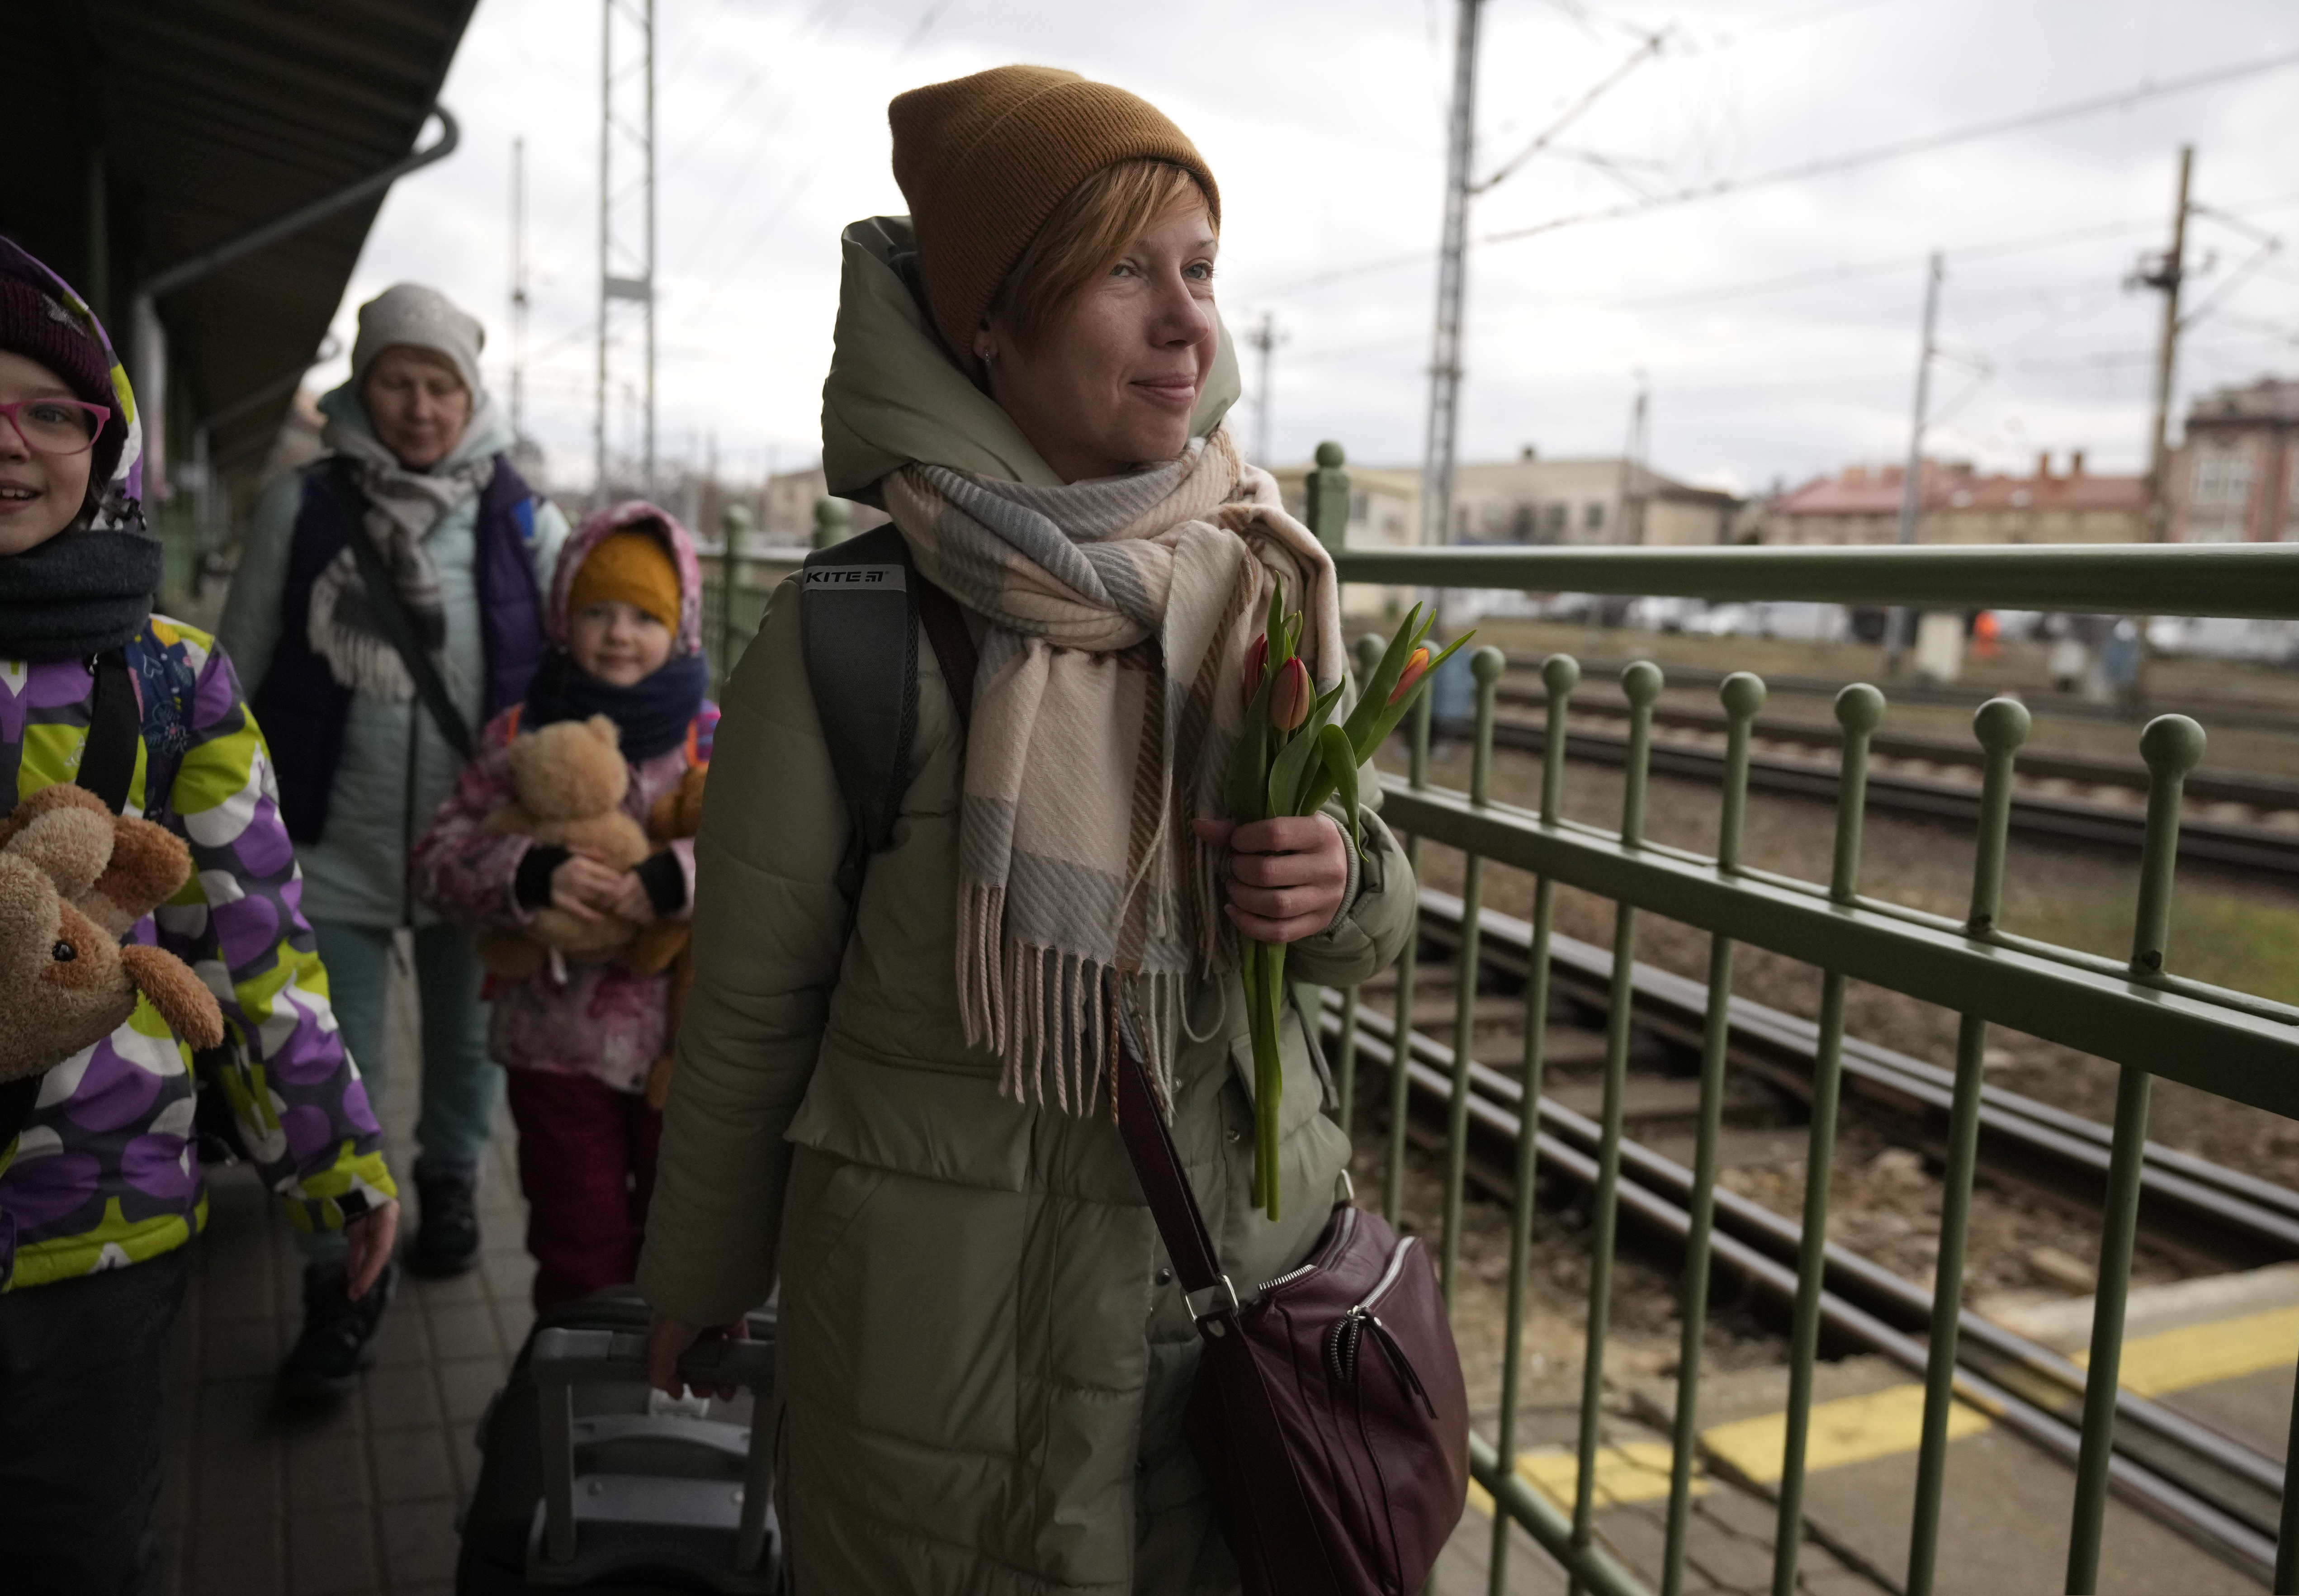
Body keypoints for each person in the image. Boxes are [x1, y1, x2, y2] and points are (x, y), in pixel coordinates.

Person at [635, 66, 1417, 1592]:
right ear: (987, 319)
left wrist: (1333, 883)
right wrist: (701, 1273)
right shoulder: (848, 629)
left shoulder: (1261, 578)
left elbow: (1373, 922)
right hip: (942, 1351)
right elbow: (747, 997)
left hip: (1228, 1312)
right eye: (1124, 269)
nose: (1188, 320)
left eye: (1198, 267)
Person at [0, 240, 398, 1591]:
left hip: (99, 1213)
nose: (14, 445)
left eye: (50, 410)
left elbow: (258, 943)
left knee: (87, 1549)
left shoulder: (177, 679)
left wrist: (335, 1163)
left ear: (104, 441)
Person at [218, 284, 568, 1387]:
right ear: (362, 387)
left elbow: (588, 664)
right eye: (397, 382)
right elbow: (233, 667)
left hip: (478, 846)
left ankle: (454, 1184)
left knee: (470, 1048)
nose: (419, 407)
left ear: (473, 394)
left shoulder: (522, 514)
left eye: (441, 385)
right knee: (336, 1063)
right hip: (332, 837)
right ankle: (341, 1274)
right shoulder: (306, 503)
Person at [412, 503, 716, 1309]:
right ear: (561, 620)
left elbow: (771, 859)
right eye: (596, 612)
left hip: (686, 1053)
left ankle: (677, 1381)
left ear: (682, 625)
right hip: (554, 1041)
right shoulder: (520, 732)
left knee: (685, 1224)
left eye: (644, 616)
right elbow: (438, 861)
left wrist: (673, 879)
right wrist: (531, 871)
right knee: (576, 1233)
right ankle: (576, 1396)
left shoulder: (713, 737)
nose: (618, 634)